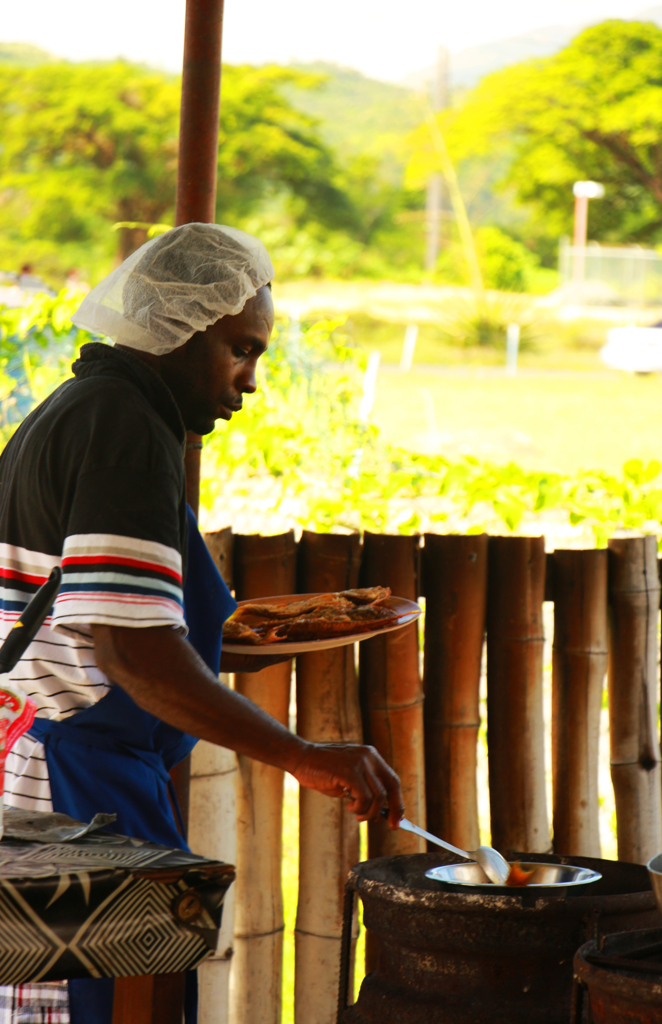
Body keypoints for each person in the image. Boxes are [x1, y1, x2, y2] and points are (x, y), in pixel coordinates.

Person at [0, 223, 403, 1024]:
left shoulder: (84, 407)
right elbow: (133, 651)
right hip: (79, 807)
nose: (249, 381)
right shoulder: (123, 433)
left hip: (47, 773)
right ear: (180, 329)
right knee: (104, 1008)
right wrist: (300, 753)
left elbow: (115, 621)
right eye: (241, 351)